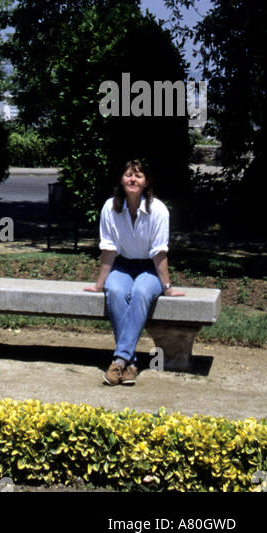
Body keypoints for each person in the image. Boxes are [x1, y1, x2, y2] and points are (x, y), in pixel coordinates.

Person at [84, 157, 184, 384]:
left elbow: (159, 253)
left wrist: (167, 288)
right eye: (129, 174)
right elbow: (108, 249)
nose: (133, 179)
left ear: (146, 182)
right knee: (116, 291)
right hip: (123, 265)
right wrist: (100, 284)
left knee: (140, 293)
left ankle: (119, 360)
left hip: (149, 269)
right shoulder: (110, 207)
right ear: (121, 180)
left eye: (138, 175)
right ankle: (130, 363)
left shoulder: (158, 210)